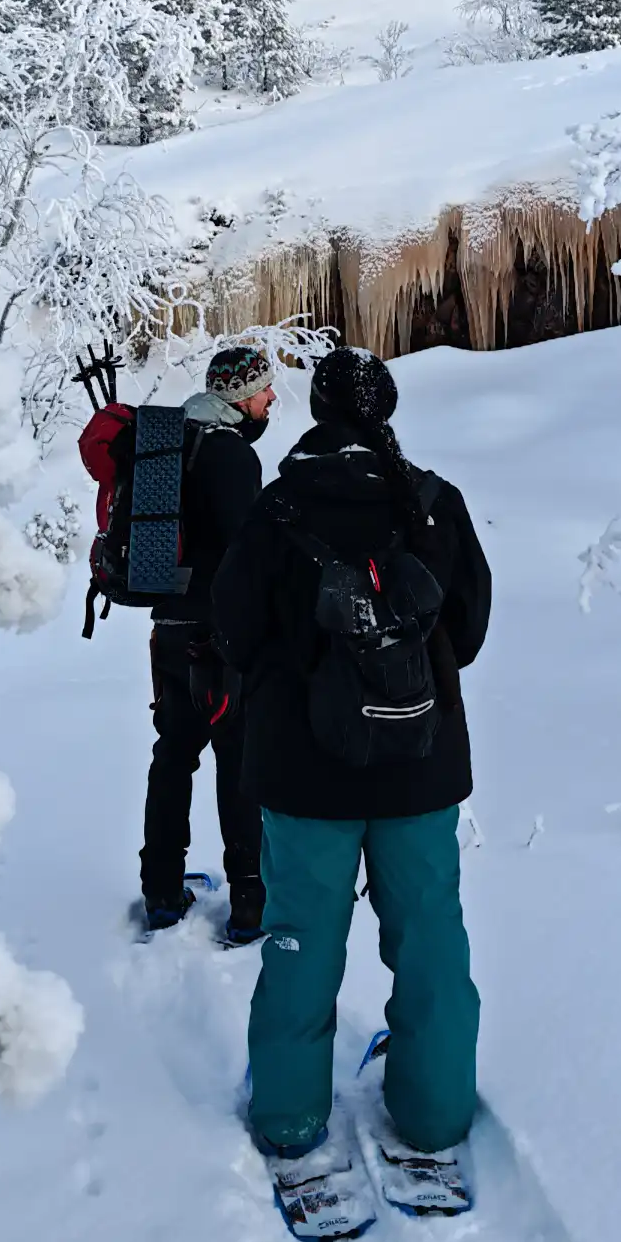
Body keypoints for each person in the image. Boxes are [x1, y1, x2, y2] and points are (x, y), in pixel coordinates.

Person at [211, 345, 492, 1163]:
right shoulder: (436, 504)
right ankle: (435, 1116)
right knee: (432, 939)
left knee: (301, 940)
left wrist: (291, 678)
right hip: (421, 764)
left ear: (316, 410)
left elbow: (233, 629)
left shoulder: (276, 510)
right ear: (387, 410)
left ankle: (291, 1119)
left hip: (303, 779)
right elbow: (466, 633)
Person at [140, 342, 275, 941]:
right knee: (238, 761)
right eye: (265, 389)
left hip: (168, 628)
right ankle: (249, 901)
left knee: (173, 755)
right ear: (239, 396)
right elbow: (249, 557)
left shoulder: (169, 444)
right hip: (218, 637)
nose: (271, 398)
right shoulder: (229, 456)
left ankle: (162, 891)